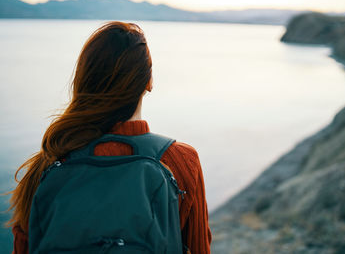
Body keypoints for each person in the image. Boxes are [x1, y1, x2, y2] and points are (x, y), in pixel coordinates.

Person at [5, 21, 212, 254]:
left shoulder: (46, 167)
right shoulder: (181, 161)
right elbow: (199, 248)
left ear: (83, 82)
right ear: (149, 82)